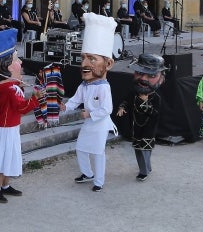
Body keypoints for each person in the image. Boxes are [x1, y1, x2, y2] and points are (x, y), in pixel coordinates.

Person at [0, 28, 41, 203]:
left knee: (11, 155)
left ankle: (6, 185)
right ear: (6, 66)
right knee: (6, 157)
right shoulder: (9, 88)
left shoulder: (6, 85)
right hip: (7, 127)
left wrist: (19, 84)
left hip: (8, 125)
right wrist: (35, 98)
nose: (20, 61)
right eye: (15, 58)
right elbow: (21, 108)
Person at [61, 13, 118, 192]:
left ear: (108, 64)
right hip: (89, 123)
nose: (85, 63)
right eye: (84, 57)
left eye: (92, 59)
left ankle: (99, 181)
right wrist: (65, 106)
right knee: (81, 148)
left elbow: (107, 109)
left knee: (97, 152)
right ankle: (87, 173)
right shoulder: (84, 85)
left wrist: (90, 114)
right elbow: (76, 99)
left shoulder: (103, 87)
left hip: (99, 123)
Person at [116, 53, 167, 181]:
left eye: (151, 76)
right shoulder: (134, 93)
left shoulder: (156, 98)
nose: (143, 78)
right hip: (136, 128)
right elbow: (126, 101)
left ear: (161, 79)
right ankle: (144, 170)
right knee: (138, 150)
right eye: (139, 73)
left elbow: (154, 113)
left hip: (149, 129)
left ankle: (144, 170)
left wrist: (144, 102)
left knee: (146, 150)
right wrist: (122, 107)